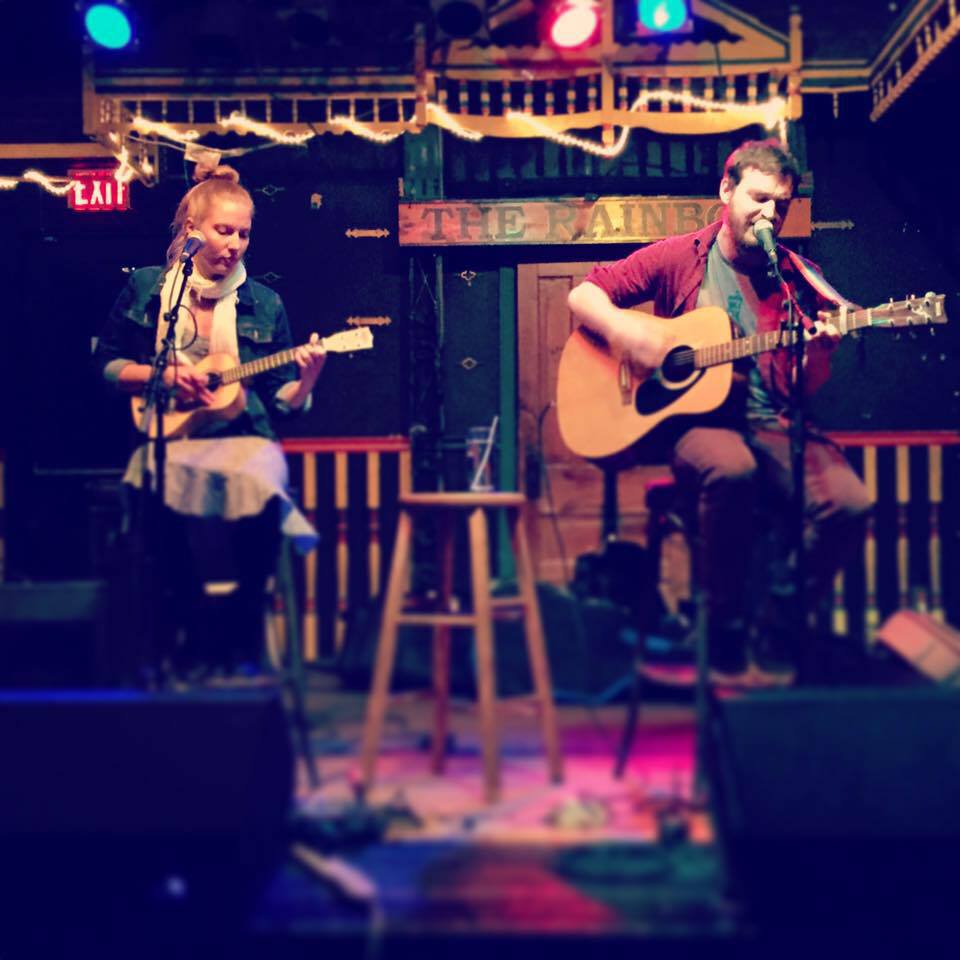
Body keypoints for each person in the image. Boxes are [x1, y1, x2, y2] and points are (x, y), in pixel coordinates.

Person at [567, 138, 871, 686]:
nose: (769, 214)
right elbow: (585, 295)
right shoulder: (679, 257)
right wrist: (627, 333)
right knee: (732, 470)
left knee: (849, 504)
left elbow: (801, 386)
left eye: (780, 204)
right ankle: (722, 624)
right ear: (726, 191)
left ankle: (777, 625)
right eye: (759, 198)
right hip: (696, 423)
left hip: (770, 421)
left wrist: (821, 353)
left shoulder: (798, 279)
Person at [94, 164, 326, 680]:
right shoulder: (149, 290)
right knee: (154, 508)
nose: (235, 245)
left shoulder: (264, 303)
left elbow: (283, 399)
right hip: (168, 438)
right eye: (225, 231)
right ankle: (185, 637)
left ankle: (239, 642)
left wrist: (307, 380)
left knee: (261, 498)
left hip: (244, 439)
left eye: (244, 234)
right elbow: (106, 366)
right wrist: (161, 375)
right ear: (192, 231)